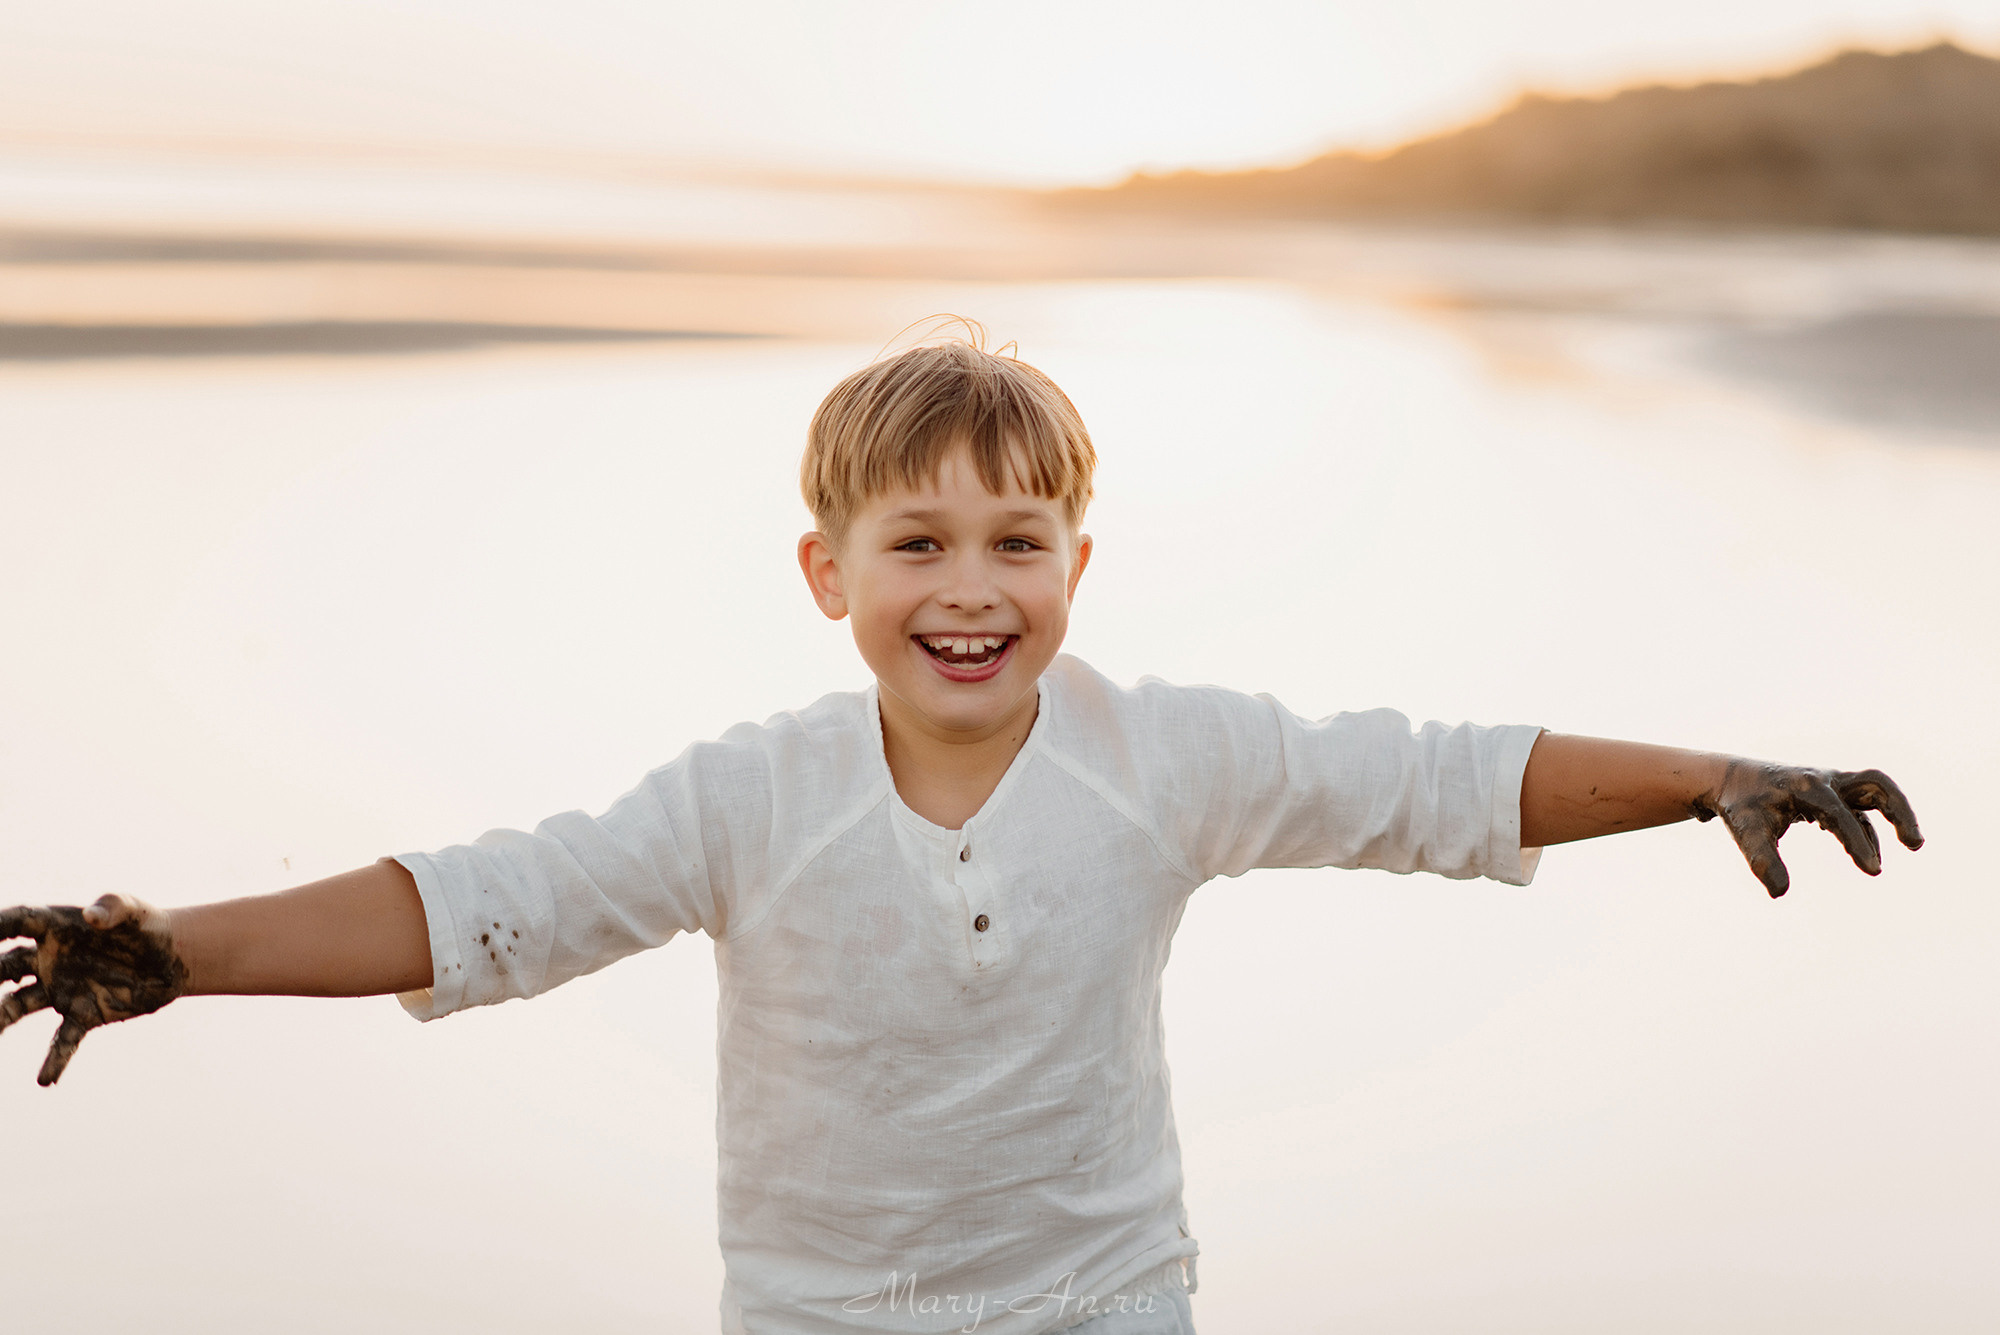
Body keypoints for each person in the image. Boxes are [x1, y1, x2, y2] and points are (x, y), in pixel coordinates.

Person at [0, 333, 1921, 1335]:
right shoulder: (747, 796)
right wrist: (174, 947)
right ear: (828, 571)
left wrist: (1710, 776)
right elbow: (498, 907)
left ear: (1078, 563)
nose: (970, 587)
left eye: (1017, 543)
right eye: (918, 543)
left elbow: (1427, 779)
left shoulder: (1162, 755)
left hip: (1108, 1311)